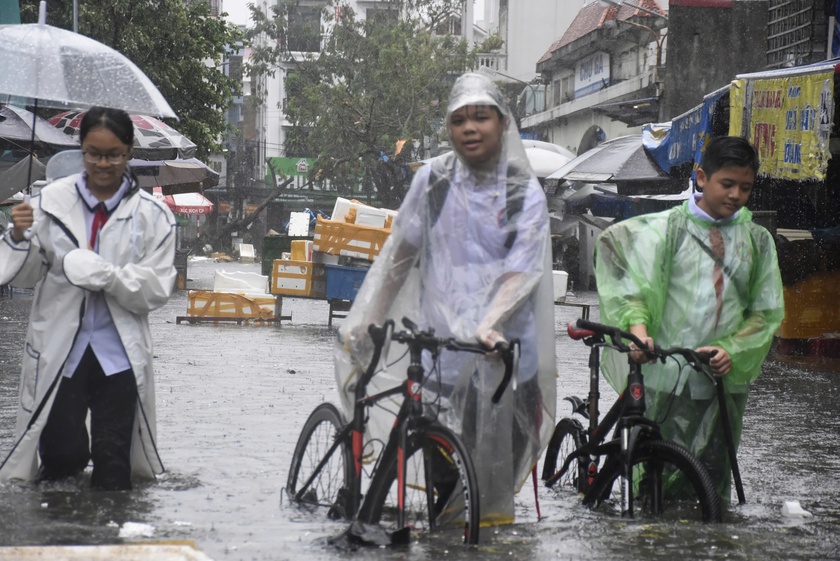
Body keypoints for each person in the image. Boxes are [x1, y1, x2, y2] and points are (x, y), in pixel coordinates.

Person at [336, 72, 557, 524]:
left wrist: (490, 322)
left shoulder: (523, 193)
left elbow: (523, 270)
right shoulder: (433, 182)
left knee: (491, 494)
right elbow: (400, 255)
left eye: (481, 117)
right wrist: (372, 317)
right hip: (441, 357)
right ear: (449, 129)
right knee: (445, 488)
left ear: (503, 123)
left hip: (507, 363)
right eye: (459, 120)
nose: (470, 128)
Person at [594, 136, 785, 501]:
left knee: (713, 482)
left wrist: (735, 349)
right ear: (701, 178)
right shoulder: (668, 230)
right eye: (726, 184)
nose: (735, 195)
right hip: (666, 375)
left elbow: (766, 311)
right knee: (653, 476)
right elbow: (633, 286)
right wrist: (639, 335)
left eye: (745, 187)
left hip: (720, 380)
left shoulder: (758, 241)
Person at [0, 107, 177, 490]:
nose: (103, 163)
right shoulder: (49, 204)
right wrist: (18, 238)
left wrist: (107, 277)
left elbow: (157, 288)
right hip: (62, 352)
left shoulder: (154, 217)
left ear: (129, 152)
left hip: (119, 356)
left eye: (113, 154)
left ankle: (107, 543)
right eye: (94, 153)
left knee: (115, 468)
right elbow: (27, 275)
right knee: (63, 458)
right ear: (81, 151)